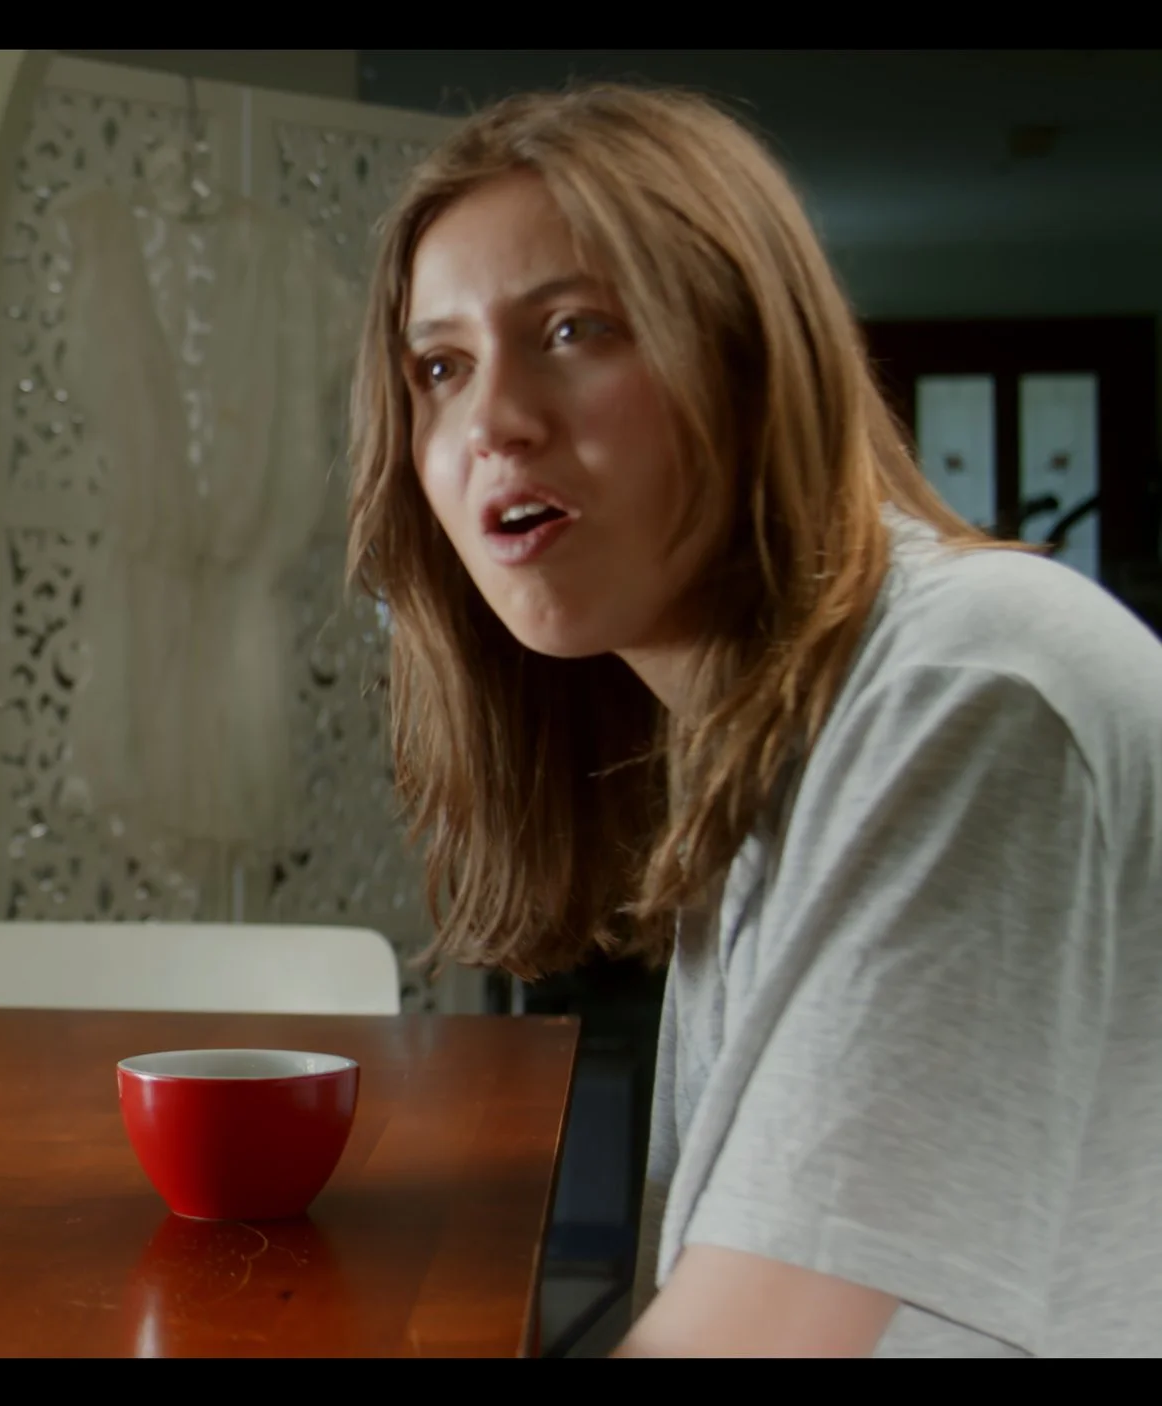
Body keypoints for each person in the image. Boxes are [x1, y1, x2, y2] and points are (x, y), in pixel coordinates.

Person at [345, 84, 1160, 1356]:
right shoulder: (763, 735)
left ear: (745, 352)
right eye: (439, 366)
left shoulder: (974, 688)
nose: (493, 419)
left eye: (572, 328)